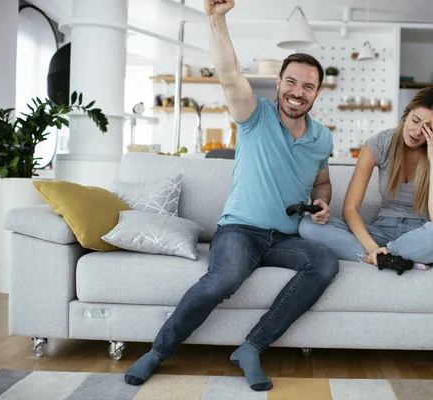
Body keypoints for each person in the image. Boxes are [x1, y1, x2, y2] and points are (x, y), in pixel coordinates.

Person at [124, 0, 339, 392]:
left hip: (285, 238)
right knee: (222, 281)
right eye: (291, 82)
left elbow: (322, 183)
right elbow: (228, 74)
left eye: (308, 85)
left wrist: (323, 201)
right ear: (278, 83)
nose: (298, 91)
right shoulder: (254, 115)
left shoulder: (322, 136)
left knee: (324, 263)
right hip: (240, 229)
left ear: (317, 92)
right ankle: (159, 350)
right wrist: (216, 19)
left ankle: (252, 347)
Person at [299, 87, 433, 268]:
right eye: (415, 120)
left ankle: (392, 255)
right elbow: (350, 209)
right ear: (405, 115)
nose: (417, 132)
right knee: (307, 225)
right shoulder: (380, 143)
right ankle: (382, 257)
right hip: (382, 231)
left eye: (428, 128)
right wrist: (373, 248)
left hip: (420, 235)